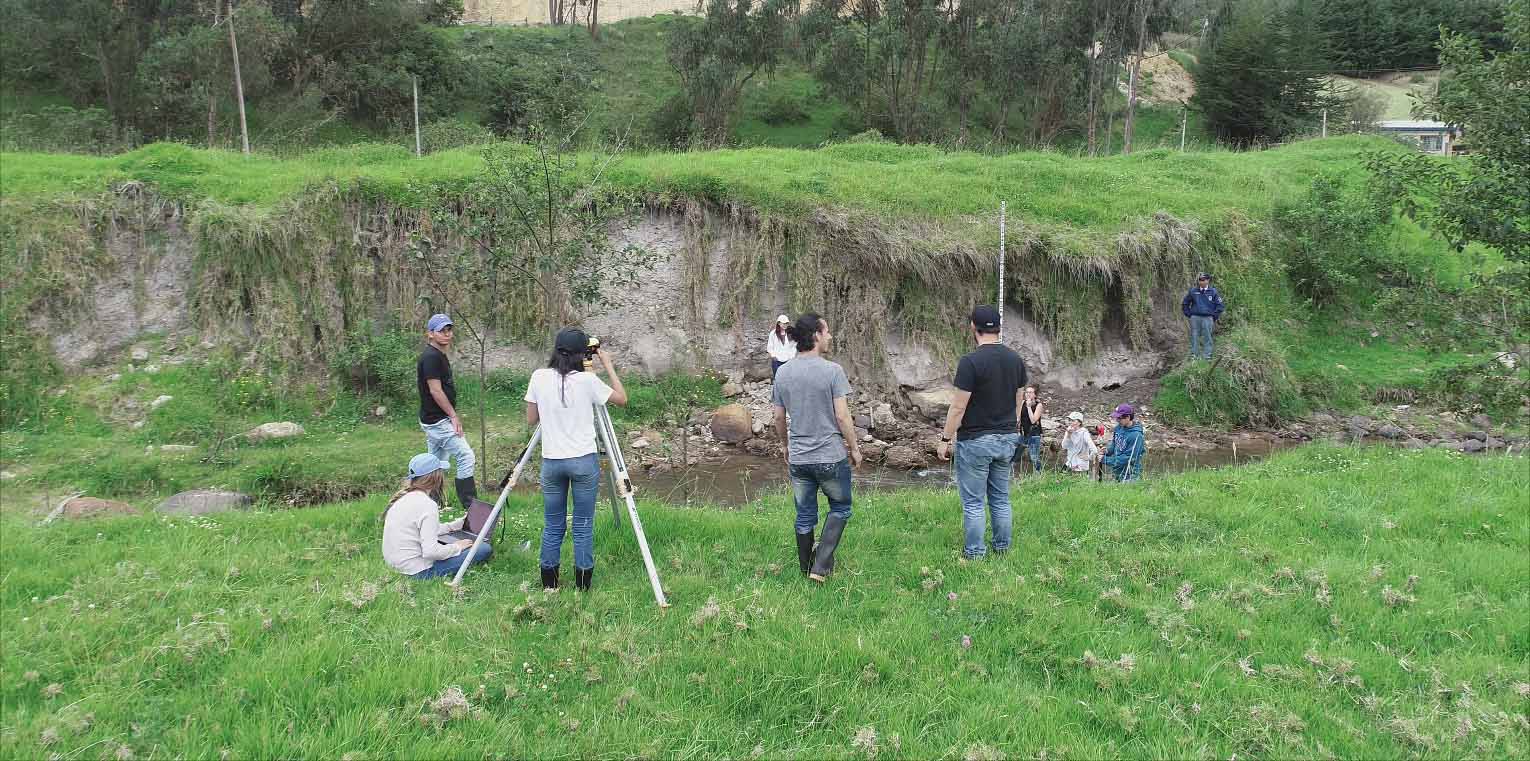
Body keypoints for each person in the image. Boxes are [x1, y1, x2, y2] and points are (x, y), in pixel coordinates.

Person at [524, 328, 628, 591]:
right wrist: (608, 365)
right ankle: (583, 586)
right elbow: (622, 399)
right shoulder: (588, 381)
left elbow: (531, 419)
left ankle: (550, 586)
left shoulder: (538, 377)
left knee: (553, 525)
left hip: (552, 463)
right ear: (583, 355)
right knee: (582, 525)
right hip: (583, 461)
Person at [771, 313, 863, 582]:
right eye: (827, 331)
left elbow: (778, 417)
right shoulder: (833, 371)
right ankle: (821, 567)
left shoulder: (783, 372)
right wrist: (854, 447)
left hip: (799, 458)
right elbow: (843, 417)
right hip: (830, 457)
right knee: (841, 507)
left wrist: (784, 446)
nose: (830, 336)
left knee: (805, 513)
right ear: (816, 336)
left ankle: (805, 567)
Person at [936, 305, 1026, 559]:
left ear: (973, 328)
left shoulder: (970, 362)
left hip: (976, 439)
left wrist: (945, 439)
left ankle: (975, 553)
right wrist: (1012, 428)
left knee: (974, 502)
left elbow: (958, 406)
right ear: (998, 328)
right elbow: (1018, 399)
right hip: (1007, 436)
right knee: (1000, 498)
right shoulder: (1015, 359)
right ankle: (1002, 549)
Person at [382, 453, 494, 580]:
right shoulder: (427, 505)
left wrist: (453, 526)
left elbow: (421, 531)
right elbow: (430, 552)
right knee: (484, 549)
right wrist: (457, 547)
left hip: (396, 566)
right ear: (436, 478)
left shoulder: (403, 498)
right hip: (417, 572)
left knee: (452, 544)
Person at [417, 314, 477, 510]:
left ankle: (432, 504)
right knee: (466, 456)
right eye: (441, 330)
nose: (447, 334)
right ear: (430, 334)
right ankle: (470, 505)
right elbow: (435, 390)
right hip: (438, 420)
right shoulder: (431, 357)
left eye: (449, 330)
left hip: (432, 418)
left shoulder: (436, 355)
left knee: (435, 463)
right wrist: (453, 415)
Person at [1181, 273, 1225, 361]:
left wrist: (1213, 316)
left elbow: (1220, 306)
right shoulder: (1193, 291)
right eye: (1200, 280)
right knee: (1194, 335)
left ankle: (1207, 355)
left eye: (1203, 280)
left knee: (1207, 336)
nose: (1201, 282)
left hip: (1208, 318)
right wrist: (1189, 314)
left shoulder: (1213, 292)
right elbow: (1185, 303)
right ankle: (1194, 354)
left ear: (1208, 280)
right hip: (1195, 317)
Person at [1099, 404, 1146, 482]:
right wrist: (1107, 451)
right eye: (1116, 418)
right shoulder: (1118, 428)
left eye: (1119, 418)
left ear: (1128, 417)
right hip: (1117, 472)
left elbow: (1128, 458)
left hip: (1130, 475)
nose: (1117, 420)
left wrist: (1105, 460)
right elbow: (1115, 445)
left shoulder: (1136, 436)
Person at [1015, 385, 1045, 474]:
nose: (1028, 394)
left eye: (1030, 392)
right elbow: (1018, 418)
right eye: (1026, 392)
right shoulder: (1023, 402)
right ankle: (1012, 476)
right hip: (1023, 433)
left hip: (1034, 434)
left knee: (1034, 457)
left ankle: (1039, 474)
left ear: (1035, 395)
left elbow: (1033, 420)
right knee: (1015, 456)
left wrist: (1028, 407)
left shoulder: (1038, 405)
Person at [766, 314, 797, 379]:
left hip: (787, 360)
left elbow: (794, 346)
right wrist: (773, 356)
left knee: (788, 379)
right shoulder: (773, 333)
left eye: (787, 323)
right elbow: (770, 347)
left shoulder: (790, 333)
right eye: (784, 323)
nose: (785, 325)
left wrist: (791, 357)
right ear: (779, 323)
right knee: (777, 379)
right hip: (777, 361)